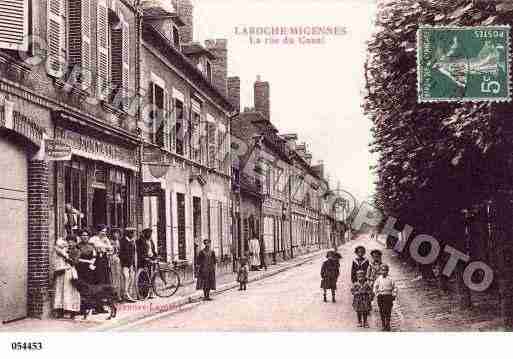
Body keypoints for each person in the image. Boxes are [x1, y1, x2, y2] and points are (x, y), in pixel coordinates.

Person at [53, 235, 81, 319]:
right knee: (60, 290)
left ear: (75, 243)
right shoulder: (64, 249)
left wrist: (65, 256)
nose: (70, 243)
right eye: (69, 241)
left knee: (69, 291)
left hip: (70, 272)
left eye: (72, 241)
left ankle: (71, 310)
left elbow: (75, 262)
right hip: (62, 272)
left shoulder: (76, 251)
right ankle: (60, 309)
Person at [373, 264, 398, 331]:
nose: (384, 272)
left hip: (388, 296)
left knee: (388, 311)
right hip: (381, 296)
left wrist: (394, 294)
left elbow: (395, 287)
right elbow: (375, 287)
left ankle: (388, 324)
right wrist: (377, 294)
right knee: (382, 310)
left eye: (385, 270)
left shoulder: (391, 279)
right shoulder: (378, 279)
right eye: (382, 270)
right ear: (380, 271)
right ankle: (383, 324)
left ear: (388, 271)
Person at [119, 227, 137, 302]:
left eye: (133, 233)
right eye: (131, 233)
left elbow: (134, 253)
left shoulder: (132, 241)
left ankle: (129, 294)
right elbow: (122, 253)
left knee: (131, 278)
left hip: (131, 263)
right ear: (128, 233)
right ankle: (125, 294)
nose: (133, 234)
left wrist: (133, 263)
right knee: (125, 278)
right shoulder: (123, 241)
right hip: (124, 263)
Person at [109, 228, 122, 301]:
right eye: (114, 233)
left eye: (117, 233)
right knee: (113, 277)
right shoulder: (110, 241)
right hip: (111, 260)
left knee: (118, 277)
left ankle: (118, 294)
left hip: (117, 260)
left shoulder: (118, 242)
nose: (116, 234)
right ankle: (114, 294)